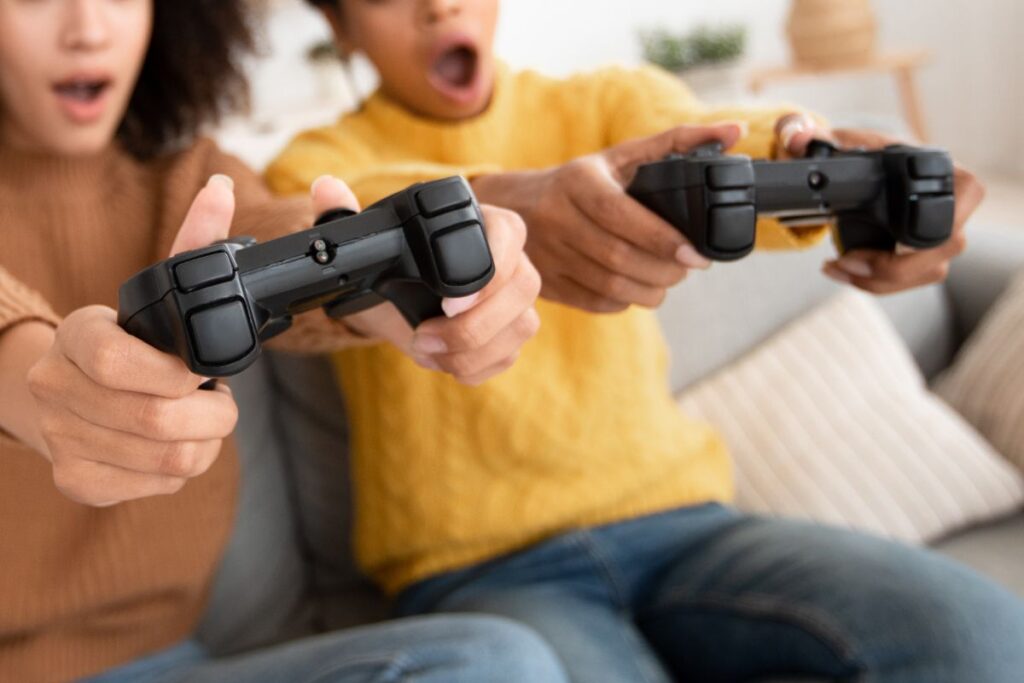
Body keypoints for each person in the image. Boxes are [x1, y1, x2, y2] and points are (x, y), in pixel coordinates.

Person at [266, 1, 1024, 681]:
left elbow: (724, 139)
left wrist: (829, 165)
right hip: (480, 572)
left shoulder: (604, 102)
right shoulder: (312, 168)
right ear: (339, 25)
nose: (440, 7)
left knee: (984, 634)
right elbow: (340, 224)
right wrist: (515, 203)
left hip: (686, 528)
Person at [0, 1, 563, 681]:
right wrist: (35, 378)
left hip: (184, 661)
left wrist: (385, 292)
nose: (87, 29)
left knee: (500, 663)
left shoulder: (190, 174)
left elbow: (270, 227)